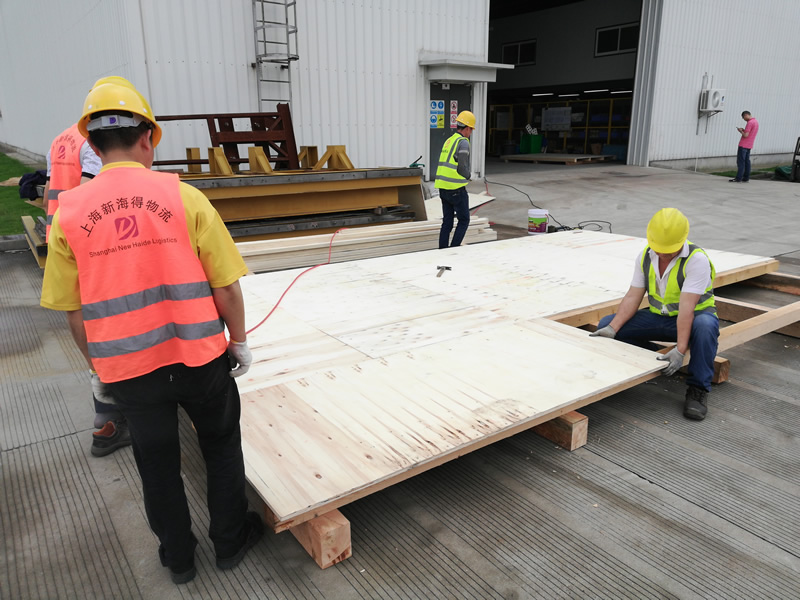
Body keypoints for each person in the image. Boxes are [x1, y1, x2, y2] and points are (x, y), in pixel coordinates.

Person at [40, 78, 262, 584]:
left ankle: (179, 559)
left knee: (157, 465)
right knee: (221, 447)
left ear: (93, 145)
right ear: (148, 138)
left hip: (129, 371)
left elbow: (73, 311)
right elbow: (226, 286)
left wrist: (98, 370)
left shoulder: (69, 213)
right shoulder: (185, 198)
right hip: (201, 361)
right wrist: (239, 342)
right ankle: (230, 542)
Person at [41, 112, 130, 457]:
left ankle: (106, 418)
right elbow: (92, 192)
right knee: (112, 322)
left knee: (84, 314)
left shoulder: (59, 139)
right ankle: (113, 418)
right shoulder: (90, 145)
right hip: (89, 236)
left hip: (59, 233)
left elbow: (49, 193)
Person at [590, 208, 719, 421]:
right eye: (660, 249)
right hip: (660, 317)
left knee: (706, 327)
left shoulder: (697, 260)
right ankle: (655, 356)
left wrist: (680, 350)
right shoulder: (645, 256)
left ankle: (698, 389)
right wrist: (612, 328)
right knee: (607, 323)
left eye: (669, 250)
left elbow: (687, 309)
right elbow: (633, 296)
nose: (663, 254)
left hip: (694, 319)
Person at [435, 110, 476, 249]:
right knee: (464, 220)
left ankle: (442, 250)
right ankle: (454, 249)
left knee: (447, 222)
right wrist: (470, 176)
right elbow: (462, 167)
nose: (471, 133)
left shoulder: (449, 140)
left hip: (443, 188)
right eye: (471, 129)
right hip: (456, 189)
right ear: (467, 128)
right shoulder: (463, 142)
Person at [730, 110, 759, 183]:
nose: (744, 119)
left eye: (743, 117)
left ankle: (738, 178)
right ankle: (746, 178)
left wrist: (740, 131)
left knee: (741, 162)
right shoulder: (756, 122)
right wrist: (744, 130)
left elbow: (746, 135)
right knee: (747, 161)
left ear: (746, 115)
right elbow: (749, 132)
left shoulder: (750, 123)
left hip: (743, 144)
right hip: (749, 145)